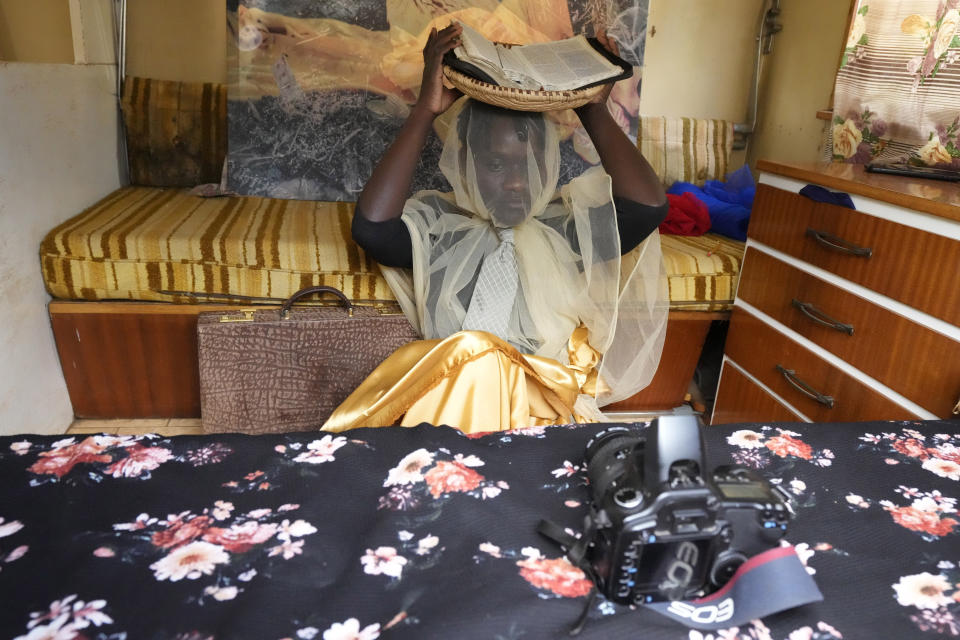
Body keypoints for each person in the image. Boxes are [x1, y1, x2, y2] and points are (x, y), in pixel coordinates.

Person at [321, 23, 668, 434]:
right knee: (476, 351)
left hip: (539, 408)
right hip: (461, 404)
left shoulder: (566, 231)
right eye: (496, 165)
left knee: (481, 353)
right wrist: (425, 111)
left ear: (548, 165)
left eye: (528, 164)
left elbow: (648, 207)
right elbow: (372, 228)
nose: (516, 182)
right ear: (467, 163)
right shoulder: (442, 231)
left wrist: (591, 107)